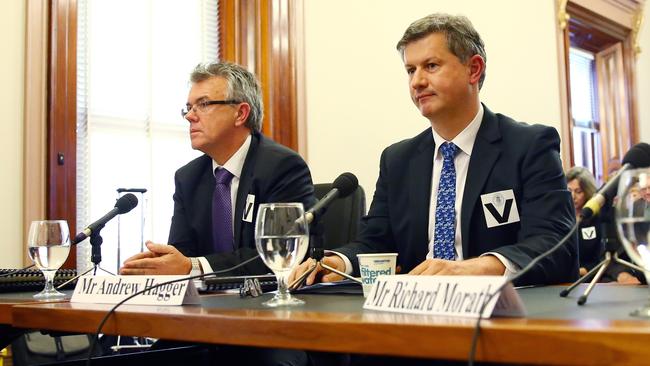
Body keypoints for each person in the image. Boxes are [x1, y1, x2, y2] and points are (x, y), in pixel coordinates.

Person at [290, 13, 578, 288]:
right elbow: (375, 243)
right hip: (415, 314)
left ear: (473, 69)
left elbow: (555, 245)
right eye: (410, 70)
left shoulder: (529, 145)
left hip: (501, 316)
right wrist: (338, 262)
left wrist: (471, 269)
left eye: (431, 66)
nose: (417, 82)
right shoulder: (397, 160)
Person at [120, 61, 317, 278]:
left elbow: (284, 253)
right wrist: (161, 265)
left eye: (203, 105)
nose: (189, 116)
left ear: (240, 113)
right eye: (189, 107)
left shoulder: (281, 167)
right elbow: (183, 254)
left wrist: (194, 267)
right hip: (207, 305)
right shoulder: (188, 178)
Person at [566, 166, 602, 275]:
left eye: (578, 191)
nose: (573, 196)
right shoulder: (561, 217)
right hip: (564, 279)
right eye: (569, 191)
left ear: (587, 192)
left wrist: (579, 271)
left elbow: (601, 260)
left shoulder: (597, 218)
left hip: (594, 279)